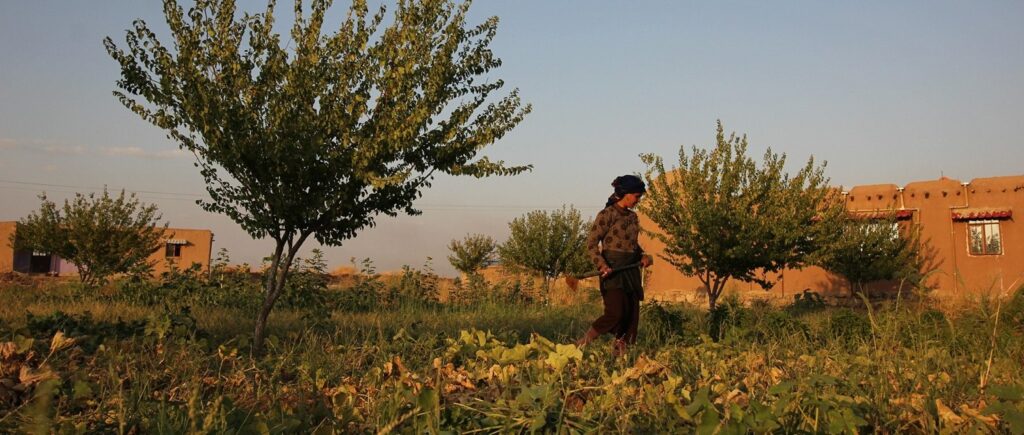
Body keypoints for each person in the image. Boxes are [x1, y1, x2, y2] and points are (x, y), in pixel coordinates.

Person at [576, 175, 653, 355]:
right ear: (625, 194)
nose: (638, 200)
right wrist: (602, 265)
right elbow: (591, 244)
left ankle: (619, 355)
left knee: (630, 315)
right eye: (636, 196)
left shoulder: (634, 218)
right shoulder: (606, 214)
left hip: (631, 271)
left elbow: (632, 244)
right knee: (615, 313)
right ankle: (581, 344)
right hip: (612, 271)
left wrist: (644, 256)